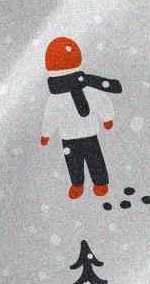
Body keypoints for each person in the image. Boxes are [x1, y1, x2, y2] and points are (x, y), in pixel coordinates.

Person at [39, 36, 121, 200]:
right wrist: (46, 133)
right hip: (69, 136)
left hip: (86, 133)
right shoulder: (56, 97)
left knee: (93, 159)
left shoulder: (86, 89)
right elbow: (50, 117)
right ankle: (78, 184)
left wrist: (107, 117)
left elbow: (100, 101)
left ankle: (99, 182)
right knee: (75, 162)